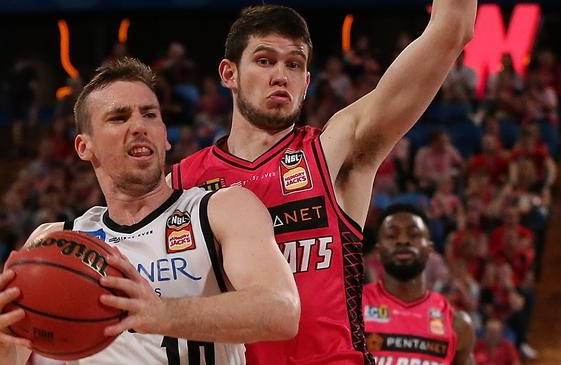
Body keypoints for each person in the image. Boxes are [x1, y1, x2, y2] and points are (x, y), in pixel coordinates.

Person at [171, 2, 477, 363]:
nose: (281, 75)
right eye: (265, 60)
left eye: (294, 65)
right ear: (229, 73)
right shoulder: (182, 182)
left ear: (307, 82)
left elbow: (452, 29)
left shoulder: (332, 153)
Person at [0, 58, 300, 365]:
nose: (140, 125)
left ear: (165, 137)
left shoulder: (220, 209)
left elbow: (282, 310)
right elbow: (0, 357)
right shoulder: (52, 240)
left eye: (150, 114)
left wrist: (161, 314)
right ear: (85, 147)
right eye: (119, 117)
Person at [363, 204, 475, 365]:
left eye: (414, 234)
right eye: (392, 236)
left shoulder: (457, 324)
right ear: (378, 251)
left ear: (429, 248)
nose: (403, 241)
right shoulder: (351, 312)